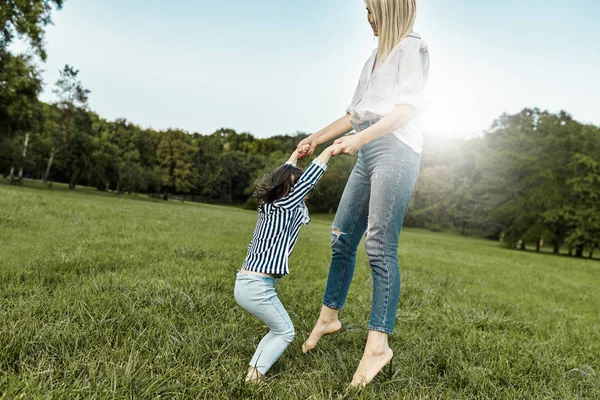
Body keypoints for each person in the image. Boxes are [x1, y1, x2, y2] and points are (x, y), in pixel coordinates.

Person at [296, 0, 429, 387]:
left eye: (372, 8)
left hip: (397, 149)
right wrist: (316, 137)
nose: (367, 16)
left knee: (378, 245)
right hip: (367, 148)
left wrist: (361, 140)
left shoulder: (412, 46)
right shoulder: (372, 58)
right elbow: (356, 114)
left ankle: (378, 346)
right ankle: (329, 318)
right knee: (340, 237)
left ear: (389, 9)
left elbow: (407, 110)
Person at [234, 145, 336, 383]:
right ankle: (254, 378)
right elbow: (310, 178)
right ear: (288, 189)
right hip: (257, 286)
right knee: (285, 331)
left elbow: (287, 174)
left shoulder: (270, 206)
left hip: (248, 283)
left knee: (278, 330)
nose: (301, 189)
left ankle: (254, 370)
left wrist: (295, 156)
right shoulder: (286, 204)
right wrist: (330, 150)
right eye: (295, 184)